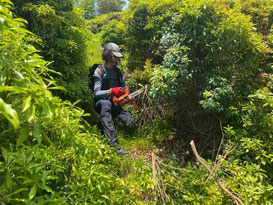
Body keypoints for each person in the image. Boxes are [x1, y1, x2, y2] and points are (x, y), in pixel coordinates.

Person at [92, 43, 134, 155]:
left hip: (115, 102)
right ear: (108, 55)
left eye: (117, 57)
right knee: (106, 104)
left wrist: (126, 95)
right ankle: (113, 145)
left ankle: (106, 124)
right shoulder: (99, 71)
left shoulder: (118, 72)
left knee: (130, 123)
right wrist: (111, 91)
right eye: (114, 56)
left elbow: (123, 86)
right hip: (102, 102)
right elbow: (96, 93)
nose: (116, 59)